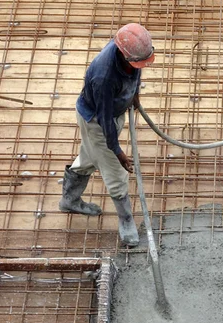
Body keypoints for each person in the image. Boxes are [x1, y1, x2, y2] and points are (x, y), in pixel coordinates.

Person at [59, 23, 155, 247]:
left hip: (110, 112)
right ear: (123, 54)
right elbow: (104, 120)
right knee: (115, 172)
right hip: (97, 121)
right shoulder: (104, 77)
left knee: (90, 157)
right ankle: (126, 220)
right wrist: (118, 151)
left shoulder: (130, 50)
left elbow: (135, 71)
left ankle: (69, 200)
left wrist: (135, 95)